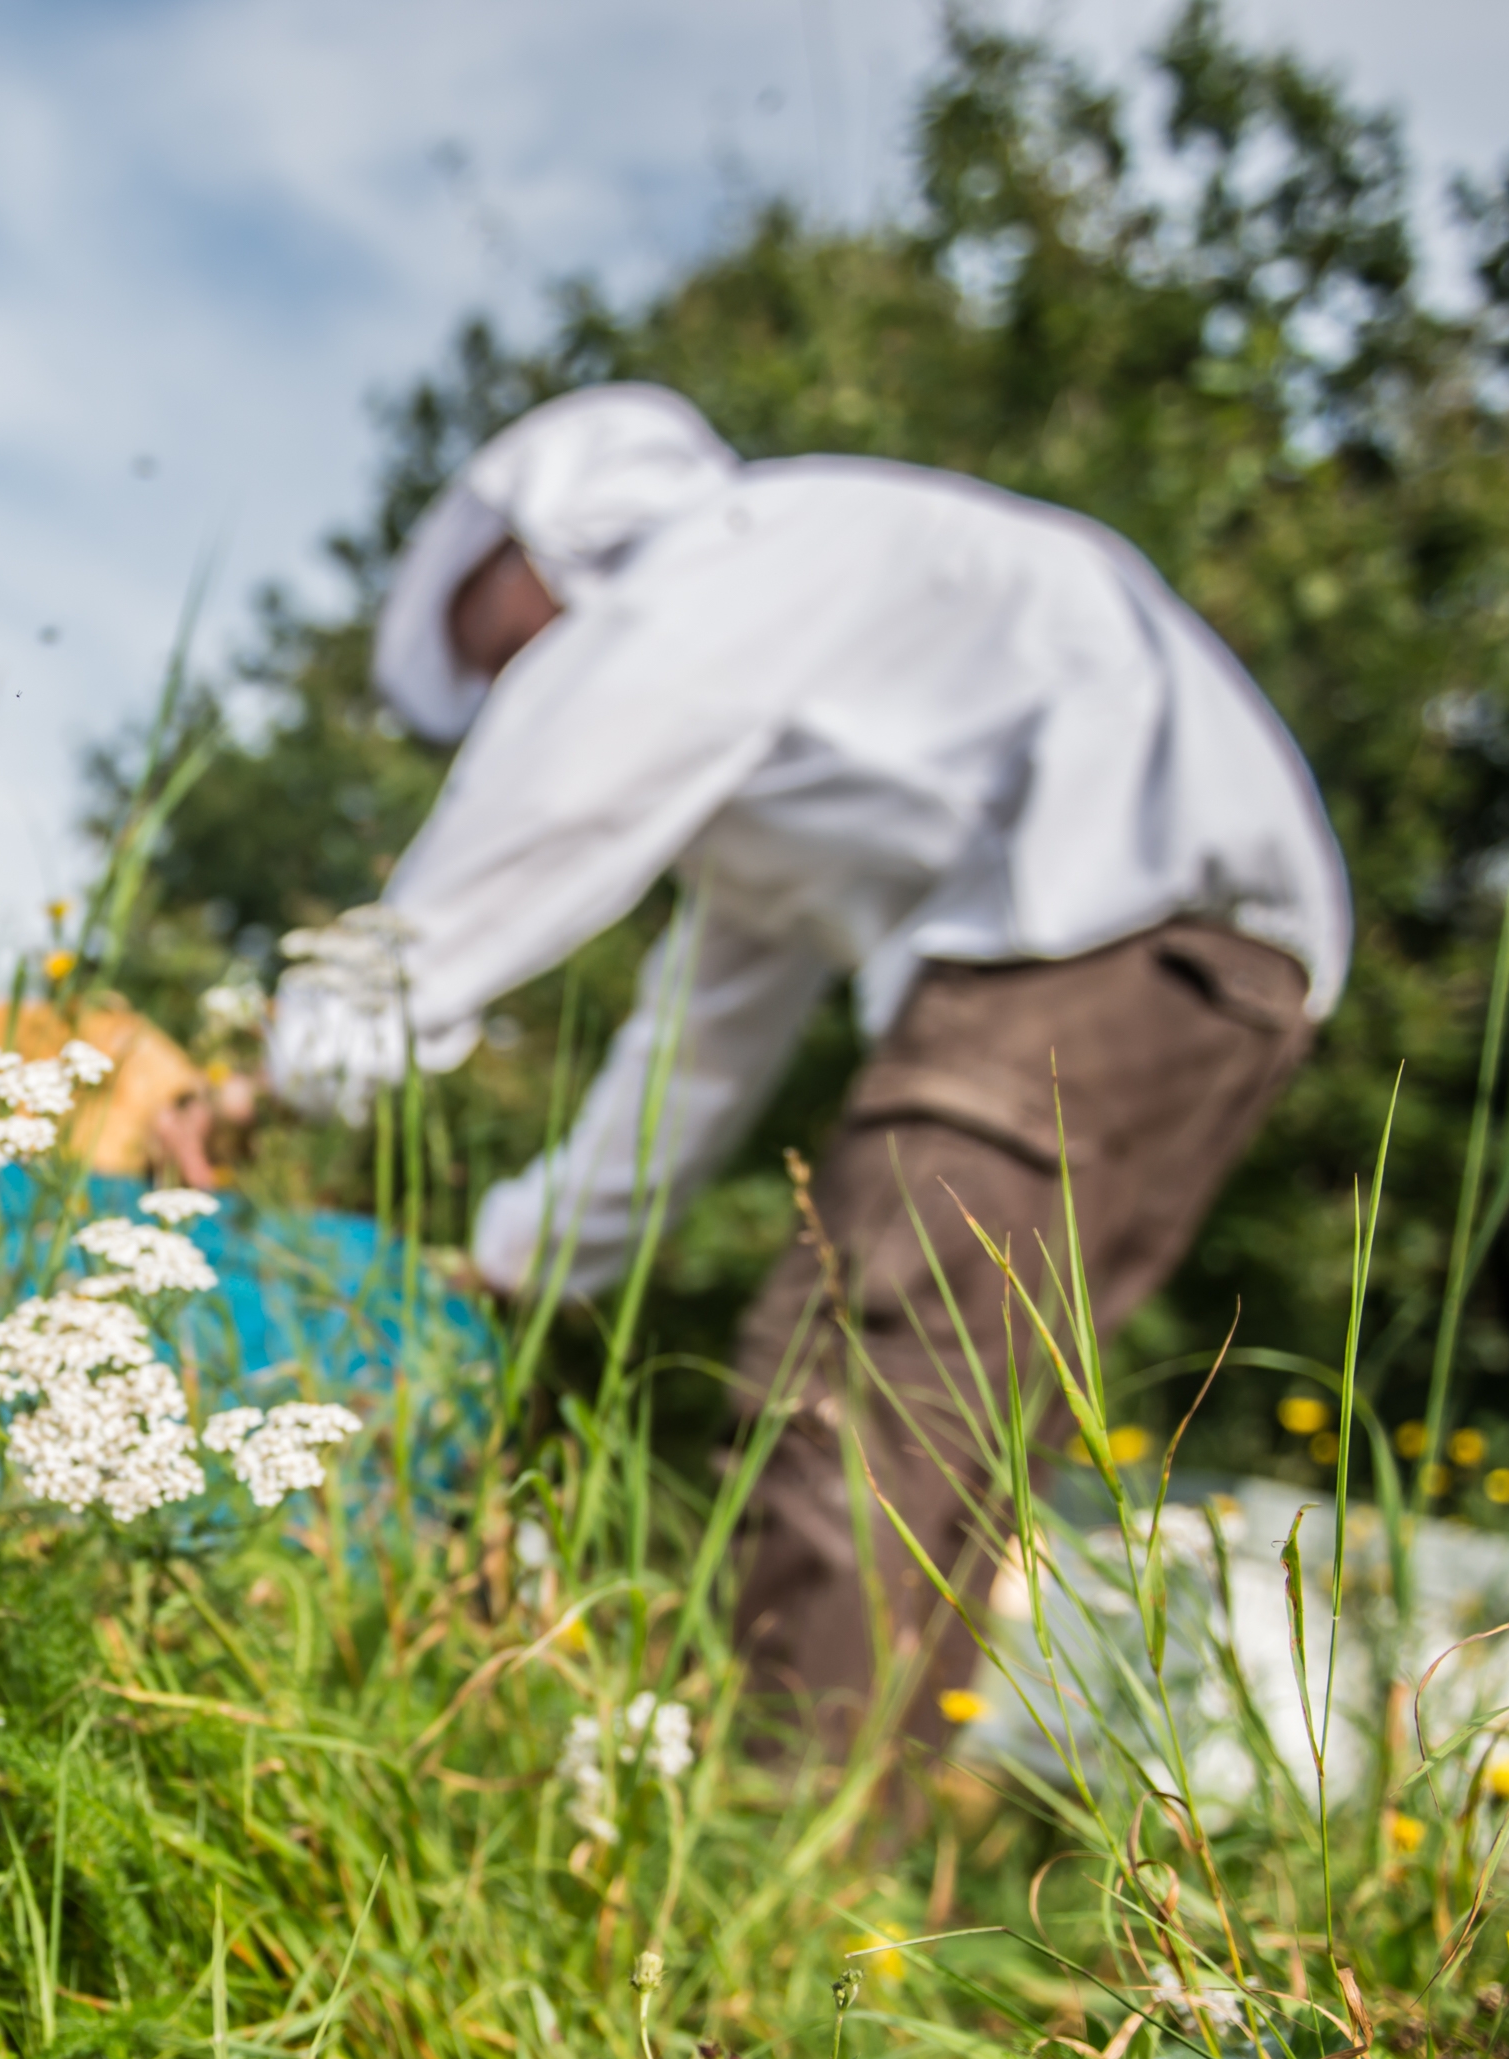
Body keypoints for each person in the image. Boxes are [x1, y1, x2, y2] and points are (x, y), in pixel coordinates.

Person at [269, 383, 1348, 1769]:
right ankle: (843, 1915)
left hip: (1106, 929)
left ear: (555, 546)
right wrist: (519, 1266)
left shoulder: (726, 558)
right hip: (1211, 986)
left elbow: (551, 799)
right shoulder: (801, 723)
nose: (506, 696)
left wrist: (298, 1056)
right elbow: (693, 1054)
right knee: (943, 1456)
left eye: (508, 652)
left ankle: (746, 1871)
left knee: (850, 1390)